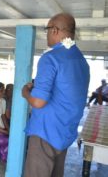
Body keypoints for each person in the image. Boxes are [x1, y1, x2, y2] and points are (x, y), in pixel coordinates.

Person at [22, 13, 90, 177]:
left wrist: (25, 92)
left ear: (54, 30)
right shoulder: (82, 61)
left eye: (47, 29)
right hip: (65, 133)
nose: (46, 34)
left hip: (45, 133)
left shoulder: (50, 58)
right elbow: (67, 91)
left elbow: (38, 102)